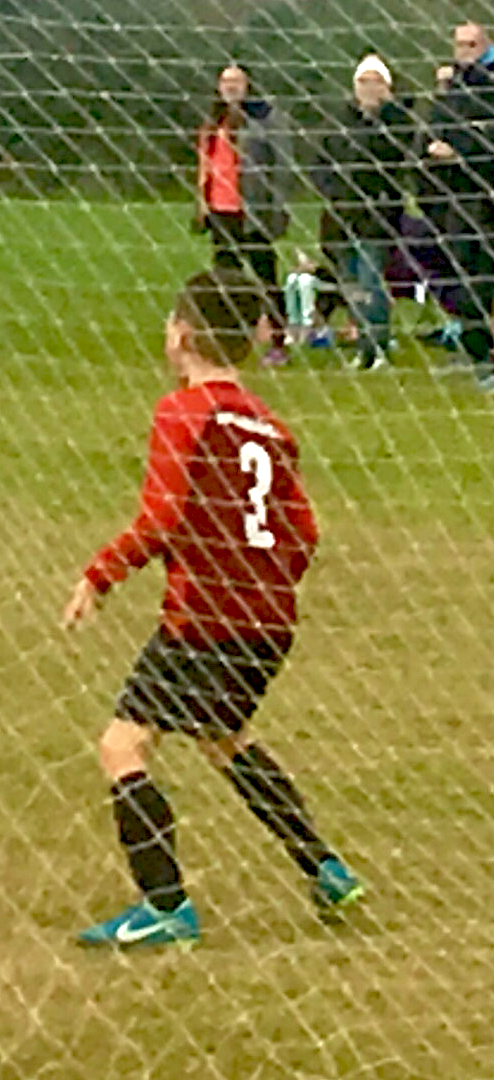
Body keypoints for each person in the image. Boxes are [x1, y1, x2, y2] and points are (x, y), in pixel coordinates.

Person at [63, 269, 364, 950]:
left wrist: (99, 575)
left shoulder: (181, 412)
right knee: (222, 735)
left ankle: (165, 905)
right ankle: (325, 868)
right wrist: (263, 581)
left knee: (122, 745)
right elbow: (304, 534)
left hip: (203, 621)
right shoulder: (269, 425)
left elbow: (162, 516)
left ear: (182, 335)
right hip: (269, 623)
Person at [316, 55, 417, 371]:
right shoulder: (339, 120)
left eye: (375, 82)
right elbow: (322, 160)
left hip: (377, 213)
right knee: (352, 285)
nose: (368, 88)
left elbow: (396, 157)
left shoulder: (399, 120)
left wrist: (379, 116)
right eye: (362, 82)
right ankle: (363, 347)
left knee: (371, 281)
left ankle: (380, 347)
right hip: (342, 213)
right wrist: (332, 191)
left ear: (387, 86)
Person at [194, 65, 291, 365]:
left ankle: (278, 340)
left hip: (253, 210)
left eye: (236, 81)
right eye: (225, 81)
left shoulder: (266, 118)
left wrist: (277, 207)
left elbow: (283, 164)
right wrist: (201, 201)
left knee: (265, 276)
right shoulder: (213, 120)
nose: (230, 86)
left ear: (248, 84)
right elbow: (205, 162)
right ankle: (226, 340)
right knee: (224, 279)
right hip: (220, 209)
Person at [426, 24, 494, 390]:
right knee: (463, 271)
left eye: (471, 45)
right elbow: (438, 127)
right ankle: (475, 353)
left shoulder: (486, 85)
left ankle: (484, 357)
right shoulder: (453, 87)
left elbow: (482, 135)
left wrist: (460, 151)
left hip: (483, 193)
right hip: (457, 196)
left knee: (483, 276)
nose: (463, 51)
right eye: (459, 45)